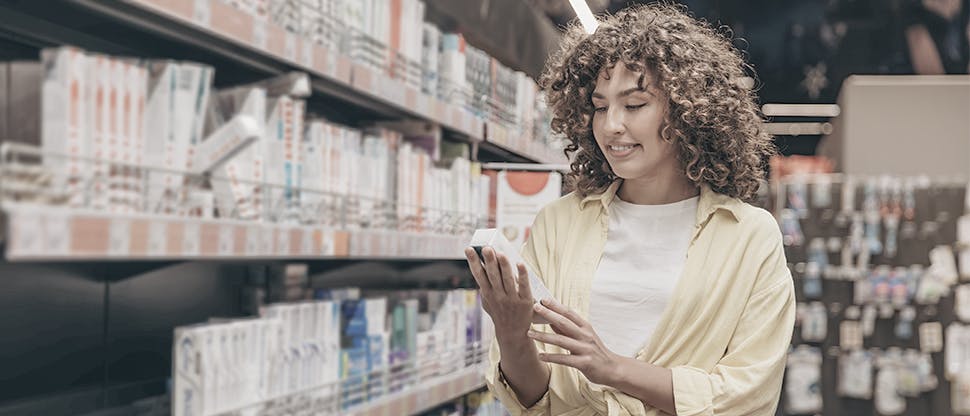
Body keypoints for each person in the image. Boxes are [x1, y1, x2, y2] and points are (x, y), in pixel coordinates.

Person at [464, 4, 796, 416]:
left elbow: (749, 394)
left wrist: (613, 369)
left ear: (687, 111)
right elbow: (538, 401)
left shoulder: (749, 235)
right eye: (600, 107)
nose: (610, 126)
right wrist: (511, 333)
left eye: (634, 105)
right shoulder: (559, 223)